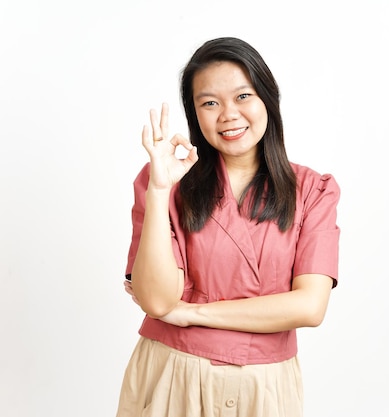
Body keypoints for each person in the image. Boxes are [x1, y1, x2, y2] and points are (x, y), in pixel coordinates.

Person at [116, 37, 341, 417]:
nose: (228, 115)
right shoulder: (164, 181)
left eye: (242, 96)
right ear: (195, 114)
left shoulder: (313, 191)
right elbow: (156, 301)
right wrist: (158, 190)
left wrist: (190, 313)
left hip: (266, 389)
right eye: (209, 103)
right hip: (172, 376)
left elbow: (309, 306)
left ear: (267, 98)